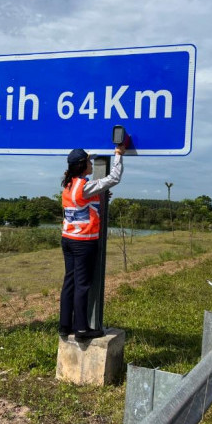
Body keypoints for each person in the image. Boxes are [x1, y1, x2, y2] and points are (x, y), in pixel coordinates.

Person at [59, 145, 125, 340]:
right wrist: (118, 156)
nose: (90, 163)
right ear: (82, 165)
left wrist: (102, 195)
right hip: (83, 241)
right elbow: (114, 178)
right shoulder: (84, 186)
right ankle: (81, 329)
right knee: (82, 284)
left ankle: (65, 326)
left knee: (69, 282)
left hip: (68, 239)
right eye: (88, 161)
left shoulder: (69, 184)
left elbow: (86, 201)